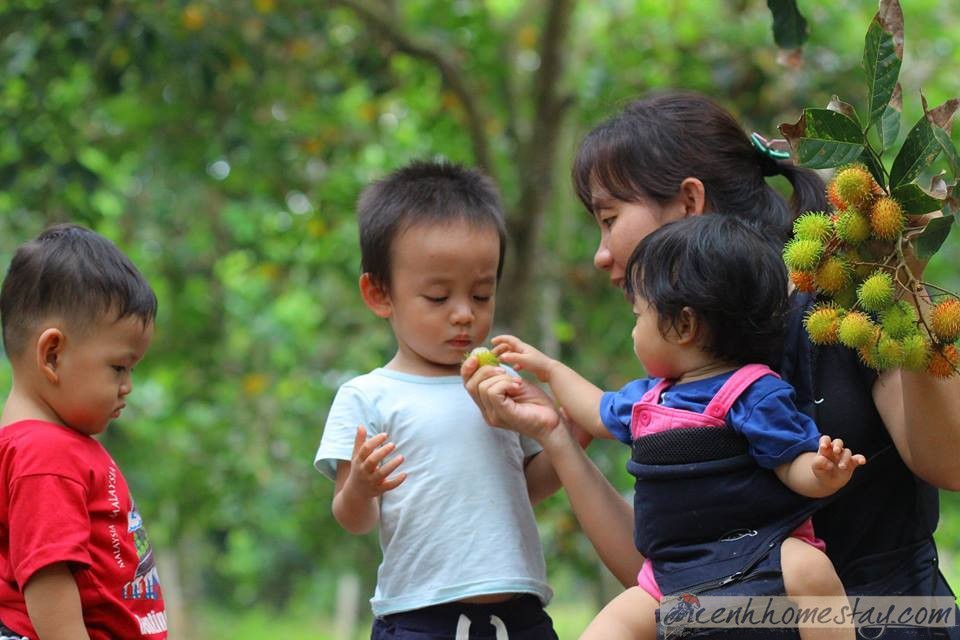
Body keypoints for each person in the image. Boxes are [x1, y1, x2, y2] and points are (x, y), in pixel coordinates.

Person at [463, 90, 960, 638]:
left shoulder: (851, 305)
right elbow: (677, 578)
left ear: (689, 203)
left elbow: (950, 463)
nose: (601, 254)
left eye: (609, 219)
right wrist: (556, 436)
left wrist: (907, 294)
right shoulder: (682, 373)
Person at [489, 215, 863, 639]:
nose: (633, 332)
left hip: (763, 554)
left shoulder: (752, 391)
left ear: (683, 325)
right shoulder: (647, 399)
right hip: (669, 577)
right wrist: (551, 370)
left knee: (812, 571)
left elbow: (789, 462)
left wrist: (821, 473)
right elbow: (594, 411)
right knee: (608, 628)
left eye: (637, 316)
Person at [314, 160, 559, 639]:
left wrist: (572, 428)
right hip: (420, 616)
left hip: (520, 615)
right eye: (437, 297)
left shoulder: (500, 381)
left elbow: (527, 487)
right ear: (380, 294)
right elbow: (353, 518)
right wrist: (362, 487)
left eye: (482, 295)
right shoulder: (368, 396)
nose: (464, 314)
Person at [0, 224, 166, 639]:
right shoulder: (44, 456)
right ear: (52, 355)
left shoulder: (54, 447)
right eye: (118, 367)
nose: (127, 385)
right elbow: (49, 579)